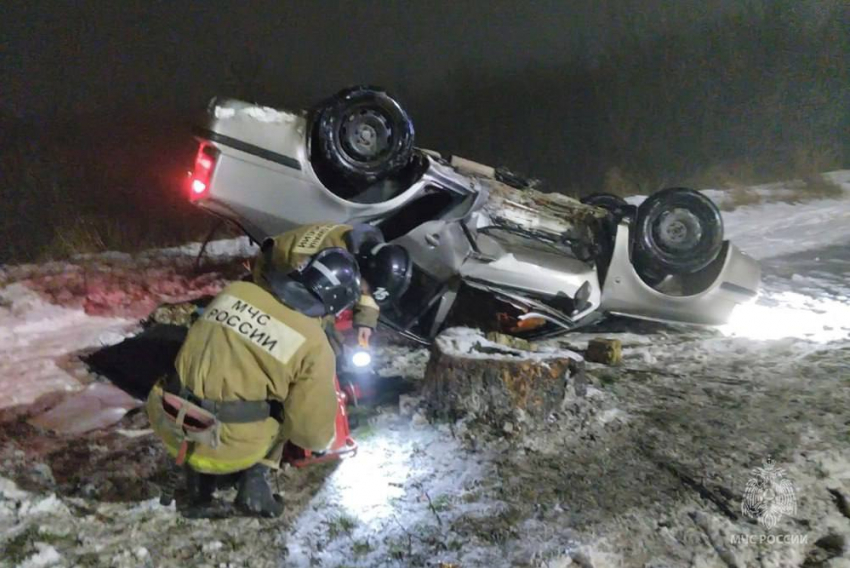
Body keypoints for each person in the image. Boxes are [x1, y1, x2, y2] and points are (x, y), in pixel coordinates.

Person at [146, 247, 362, 517]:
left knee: (210, 382)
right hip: (222, 447)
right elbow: (311, 435)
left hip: (167, 421)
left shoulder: (236, 291)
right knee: (287, 412)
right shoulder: (315, 344)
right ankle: (254, 489)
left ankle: (198, 491)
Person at [253, 223, 413, 349]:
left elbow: (366, 284)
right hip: (276, 276)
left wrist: (366, 321)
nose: (366, 293)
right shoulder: (318, 260)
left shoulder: (363, 249)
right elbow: (307, 306)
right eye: (368, 290)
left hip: (307, 277)